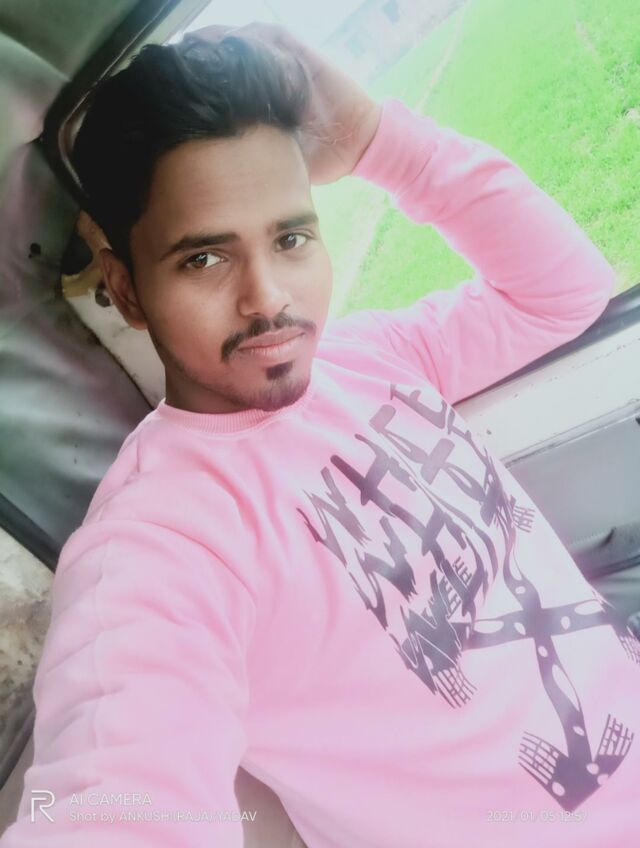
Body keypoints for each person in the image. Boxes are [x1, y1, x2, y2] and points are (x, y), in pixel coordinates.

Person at [2, 21, 639, 848]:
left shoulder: (371, 357)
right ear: (124, 287)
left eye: (292, 238)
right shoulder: (158, 544)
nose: (269, 298)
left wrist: (375, 138)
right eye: (204, 259)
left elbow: (565, 292)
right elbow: (116, 805)